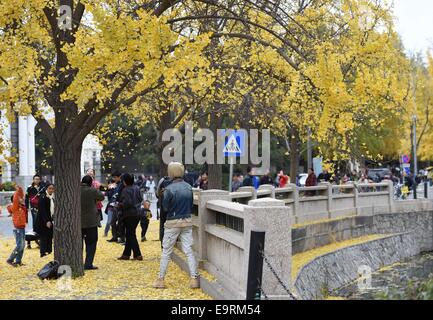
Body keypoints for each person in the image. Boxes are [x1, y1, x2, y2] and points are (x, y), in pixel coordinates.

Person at [153, 162, 199, 289]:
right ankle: (194, 279)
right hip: (187, 221)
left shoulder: (169, 189)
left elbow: (165, 207)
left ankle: (160, 279)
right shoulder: (189, 187)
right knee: (188, 251)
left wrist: (163, 196)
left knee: (166, 251)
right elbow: (190, 205)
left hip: (172, 223)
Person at [117, 173, 143, 261]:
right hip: (137, 213)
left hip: (130, 214)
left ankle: (138, 254)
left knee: (131, 234)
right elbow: (140, 199)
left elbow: (127, 203)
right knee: (129, 233)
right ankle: (126, 254)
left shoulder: (126, 190)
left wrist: (119, 205)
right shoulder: (137, 188)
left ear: (125, 181)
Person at [81, 175, 104, 270]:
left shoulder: (76, 190)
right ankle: (88, 263)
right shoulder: (93, 190)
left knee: (79, 243)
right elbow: (101, 197)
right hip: (91, 221)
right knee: (91, 243)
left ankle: (78, 261)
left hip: (79, 221)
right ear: (91, 183)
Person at [7, 185, 28, 267]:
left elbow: (21, 196)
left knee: (22, 246)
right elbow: (16, 198)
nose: (22, 199)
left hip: (22, 228)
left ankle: (18, 261)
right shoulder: (15, 207)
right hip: (17, 229)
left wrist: (21, 189)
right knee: (20, 245)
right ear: (15, 200)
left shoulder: (21, 207)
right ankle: (10, 259)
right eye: (20, 198)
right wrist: (17, 191)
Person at [35, 184, 55, 258]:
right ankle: (42, 253)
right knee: (43, 237)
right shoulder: (43, 197)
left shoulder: (52, 197)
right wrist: (47, 221)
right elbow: (42, 210)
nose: (51, 190)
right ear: (46, 189)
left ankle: (49, 252)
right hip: (43, 221)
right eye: (50, 188)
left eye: (52, 189)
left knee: (49, 237)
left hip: (50, 220)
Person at [156, 175, 172, 247]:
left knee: (163, 225)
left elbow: (157, 194)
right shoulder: (178, 181)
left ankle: (163, 244)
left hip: (163, 207)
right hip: (173, 208)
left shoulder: (162, 180)